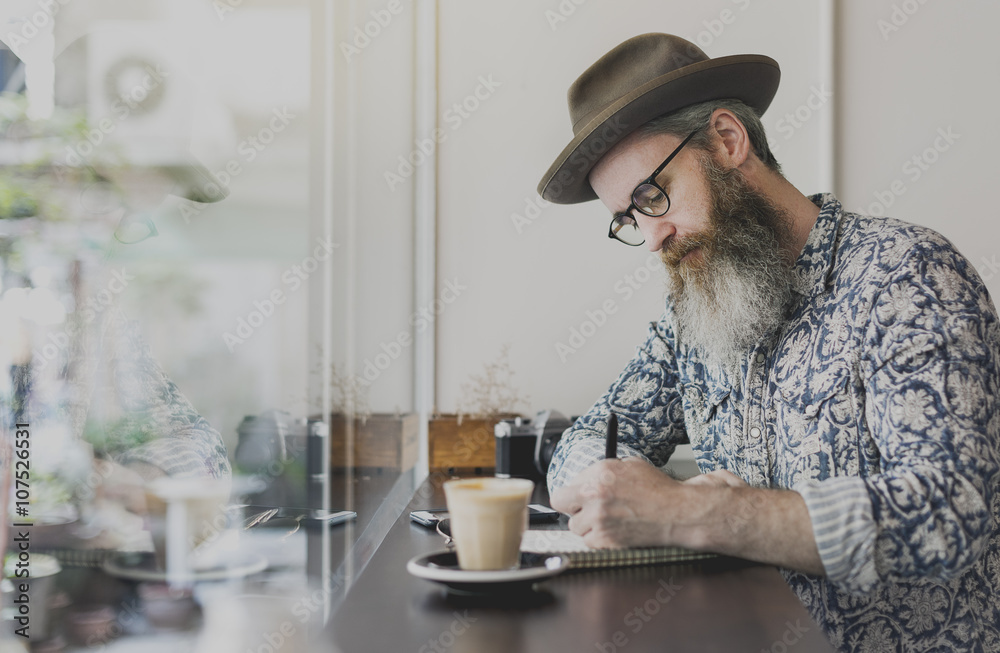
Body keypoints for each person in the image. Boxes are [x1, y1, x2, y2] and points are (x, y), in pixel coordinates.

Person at [541, 33, 1000, 652]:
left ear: (728, 140)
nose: (652, 238)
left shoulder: (907, 273)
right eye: (629, 218)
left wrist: (698, 513)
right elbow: (589, 435)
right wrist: (611, 492)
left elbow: (949, 513)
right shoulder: (690, 310)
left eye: (653, 196)